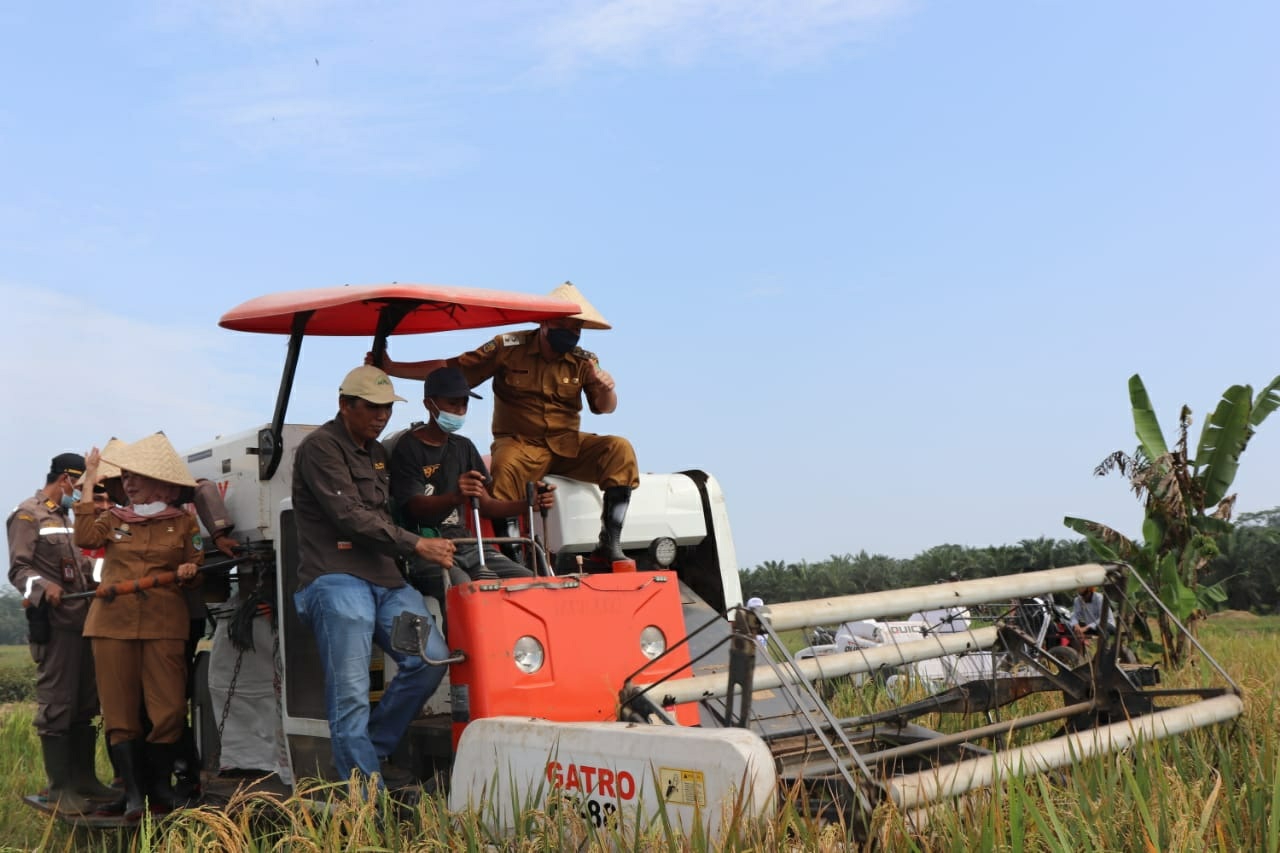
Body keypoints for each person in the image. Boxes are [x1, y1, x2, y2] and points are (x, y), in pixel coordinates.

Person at [378, 282, 640, 569]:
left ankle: (609, 544)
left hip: (567, 444)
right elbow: (451, 370)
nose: (571, 331)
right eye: (563, 324)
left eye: (577, 327)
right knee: (505, 466)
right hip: (520, 444)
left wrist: (607, 388)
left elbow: (605, 407)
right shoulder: (507, 347)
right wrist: (392, 368)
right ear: (544, 322)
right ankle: (513, 557)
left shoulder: (585, 361)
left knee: (619, 449)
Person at [291, 365, 455, 792]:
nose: (381, 416)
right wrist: (417, 545)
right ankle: (366, 799)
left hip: (384, 577)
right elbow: (349, 516)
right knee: (350, 692)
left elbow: (389, 510)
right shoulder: (319, 447)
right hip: (334, 576)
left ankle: (369, 749)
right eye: (372, 407)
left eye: (387, 408)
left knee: (430, 660)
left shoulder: (378, 451)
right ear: (345, 405)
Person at [76, 434, 205, 819]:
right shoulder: (112, 517)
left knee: (167, 708)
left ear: (163, 483)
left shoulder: (185, 522)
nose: (129, 482)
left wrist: (189, 571)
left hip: (165, 623)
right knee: (118, 710)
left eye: (139, 476)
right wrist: (88, 481)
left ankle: (159, 790)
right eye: (126, 476)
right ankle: (132, 795)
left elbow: (196, 568)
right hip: (111, 624)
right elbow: (84, 537)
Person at [7, 452, 115, 815]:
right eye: (80, 485)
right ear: (66, 479)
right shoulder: (28, 514)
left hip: (84, 621)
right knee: (57, 704)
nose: (81, 492)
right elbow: (19, 570)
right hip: (54, 626)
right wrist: (44, 586)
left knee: (86, 703)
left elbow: (82, 565)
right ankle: (59, 788)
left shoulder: (67, 518)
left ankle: (84, 780)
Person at [391, 367, 557, 588]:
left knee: (529, 581)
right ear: (428, 404)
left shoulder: (464, 447)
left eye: (464, 404)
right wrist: (455, 498)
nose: (460, 410)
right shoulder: (408, 447)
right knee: (463, 585)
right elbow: (414, 508)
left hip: (469, 545)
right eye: (452, 403)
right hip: (426, 547)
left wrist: (527, 503)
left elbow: (486, 506)